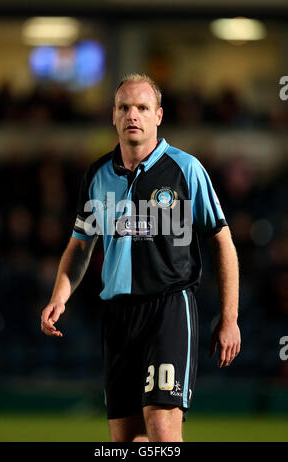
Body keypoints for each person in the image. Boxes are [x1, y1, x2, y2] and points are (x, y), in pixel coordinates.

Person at [41, 73, 240, 442]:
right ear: (113, 116)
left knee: (163, 434)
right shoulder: (97, 175)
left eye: (142, 108)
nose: (133, 114)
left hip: (169, 308)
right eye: (124, 107)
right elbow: (80, 244)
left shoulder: (186, 169)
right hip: (117, 317)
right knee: (127, 442)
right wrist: (59, 296)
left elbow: (222, 241)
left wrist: (229, 317)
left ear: (158, 116)